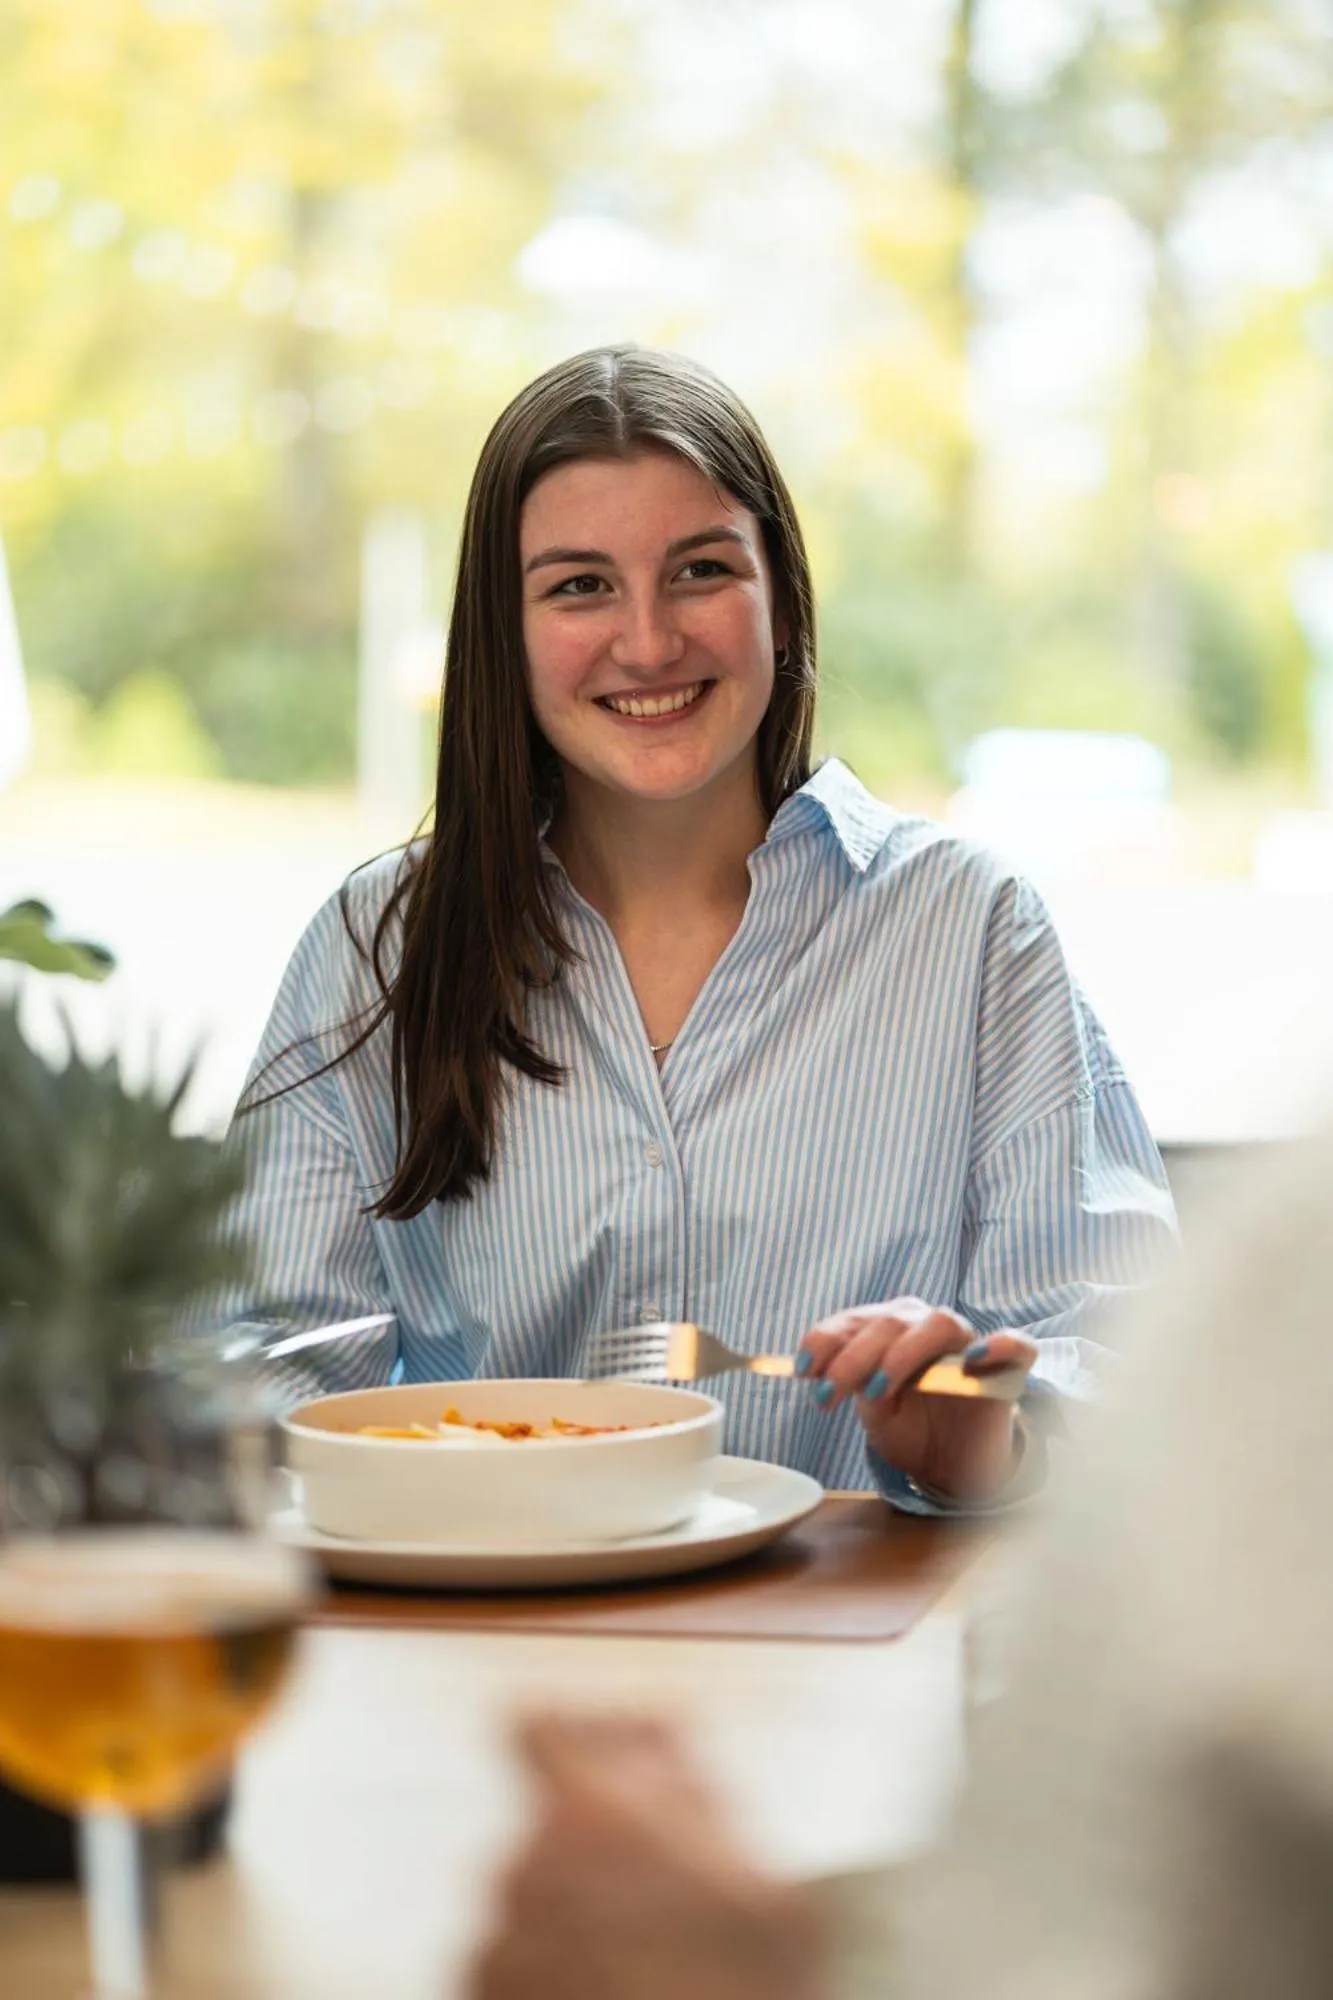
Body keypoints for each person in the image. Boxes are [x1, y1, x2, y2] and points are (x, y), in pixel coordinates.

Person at [217, 344, 1174, 1509]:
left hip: (859, 1656)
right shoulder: (376, 948)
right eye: (579, 585)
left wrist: (978, 1437)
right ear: (501, 631)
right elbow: (267, 1378)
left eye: (700, 570)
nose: (650, 640)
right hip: (471, 1646)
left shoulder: (972, 931)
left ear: (779, 596)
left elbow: (1129, 1377)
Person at [469, 1128, 1333, 2000]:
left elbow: (1107, 1387)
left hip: (849, 1685)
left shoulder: (1287, 1265)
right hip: (458, 1663)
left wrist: (999, 1442)